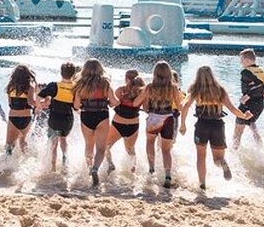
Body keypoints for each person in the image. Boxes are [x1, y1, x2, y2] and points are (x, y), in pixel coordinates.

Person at [180, 66, 252, 190]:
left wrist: (183, 124)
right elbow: (233, 109)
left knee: (201, 157)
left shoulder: (195, 89)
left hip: (202, 126)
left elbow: (185, 105)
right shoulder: (220, 90)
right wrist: (244, 116)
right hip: (218, 126)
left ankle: (202, 184)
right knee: (217, 158)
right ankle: (222, 163)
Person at [133, 61, 184, 189]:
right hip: (168, 119)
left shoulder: (150, 87)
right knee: (166, 150)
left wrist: (145, 104)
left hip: (153, 119)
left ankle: (151, 170)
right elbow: (179, 106)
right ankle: (167, 175)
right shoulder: (173, 87)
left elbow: (137, 104)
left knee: (150, 143)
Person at [73, 58, 119, 187]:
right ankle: (95, 169)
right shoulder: (105, 83)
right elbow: (115, 101)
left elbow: (76, 105)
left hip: (86, 116)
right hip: (101, 115)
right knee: (101, 148)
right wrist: (110, 103)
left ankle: (89, 170)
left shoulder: (80, 84)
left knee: (89, 146)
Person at [234, 48, 264, 149]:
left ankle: (234, 153)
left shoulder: (245, 72)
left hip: (247, 105)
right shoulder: (262, 70)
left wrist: (248, 95)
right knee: (253, 126)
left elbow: (259, 83)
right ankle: (261, 152)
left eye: (241, 60)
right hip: (259, 104)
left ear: (247, 61)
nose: (241, 63)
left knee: (238, 132)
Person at [37, 62, 77, 172]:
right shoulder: (75, 88)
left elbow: (39, 96)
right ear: (73, 74)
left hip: (54, 119)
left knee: (53, 144)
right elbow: (77, 106)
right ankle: (65, 155)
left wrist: (38, 107)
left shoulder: (54, 85)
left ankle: (53, 168)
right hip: (67, 119)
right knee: (63, 139)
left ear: (61, 73)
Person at [105, 69, 145, 173]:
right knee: (131, 151)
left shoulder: (120, 90)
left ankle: (110, 164)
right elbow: (146, 108)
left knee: (106, 146)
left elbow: (111, 104)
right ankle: (133, 172)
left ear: (126, 79)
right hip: (133, 126)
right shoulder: (142, 92)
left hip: (118, 124)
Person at [3, 64, 37, 155]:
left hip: (13, 117)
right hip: (26, 118)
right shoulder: (30, 87)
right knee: (22, 141)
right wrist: (40, 103)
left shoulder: (10, 87)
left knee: (9, 144)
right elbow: (30, 102)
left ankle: (7, 162)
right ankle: (26, 159)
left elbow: (10, 103)